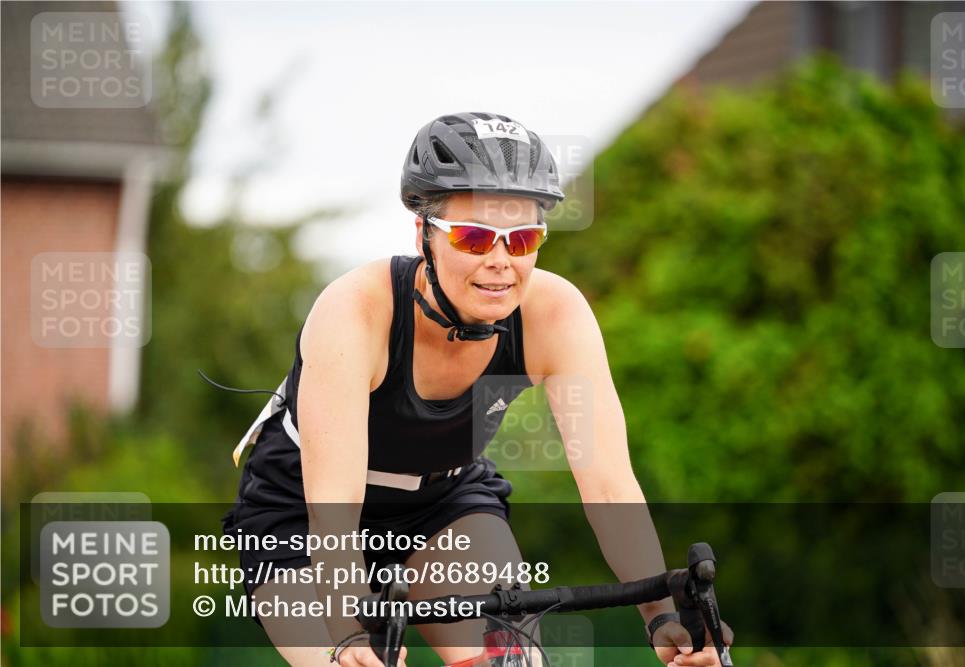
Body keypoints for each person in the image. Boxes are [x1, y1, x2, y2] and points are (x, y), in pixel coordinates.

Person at [222, 112, 733, 666]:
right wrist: (347, 629)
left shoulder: (554, 315)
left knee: (510, 662)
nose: (500, 262)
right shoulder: (355, 312)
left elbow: (609, 485)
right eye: (472, 237)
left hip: (443, 504)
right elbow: (334, 510)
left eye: (523, 239)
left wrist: (662, 616)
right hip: (303, 513)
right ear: (423, 235)